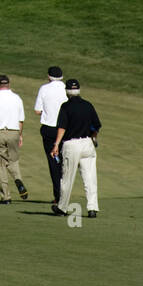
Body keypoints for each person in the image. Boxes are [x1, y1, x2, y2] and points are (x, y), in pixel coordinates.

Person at [51, 79, 101, 218]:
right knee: (90, 177)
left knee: (67, 177)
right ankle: (92, 208)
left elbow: (62, 127)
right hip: (87, 143)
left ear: (67, 91)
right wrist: (93, 137)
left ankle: (62, 207)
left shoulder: (66, 107)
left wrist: (56, 144)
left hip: (71, 145)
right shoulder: (88, 105)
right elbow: (96, 126)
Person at [0, 74, 29, 204]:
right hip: (14, 132)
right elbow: (21, 120)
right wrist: (20, 135)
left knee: (0, 165)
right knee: (13, 161)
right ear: (8, 85)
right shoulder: (17, 99)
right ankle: (18, 179)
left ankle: (6, 196)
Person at [34, 65, 68, 205]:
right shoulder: (66, 88)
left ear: (49, 76)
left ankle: (58, 195)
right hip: (65, 129)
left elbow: (37, 110)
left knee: (53, 162)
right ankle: (65, 193)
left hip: (49, 129)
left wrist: (47, 113)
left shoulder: (44, 88)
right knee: (65, 162)